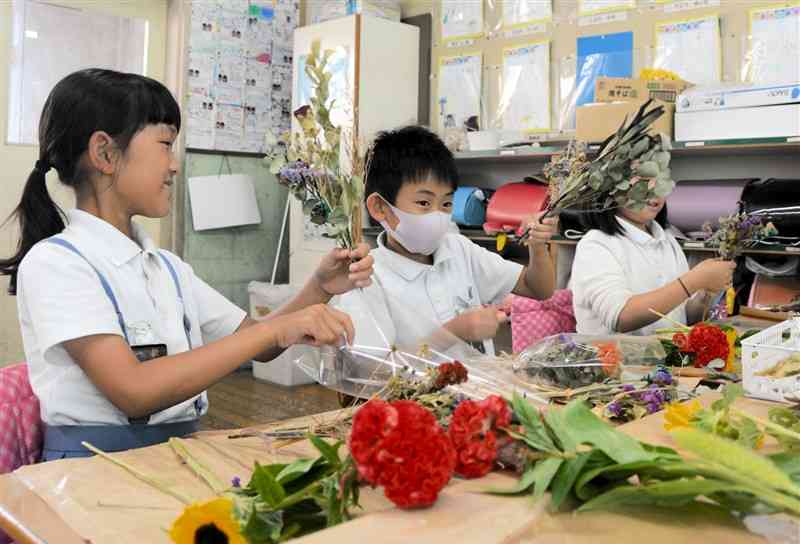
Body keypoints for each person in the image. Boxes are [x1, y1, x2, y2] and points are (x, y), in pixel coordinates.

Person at [0, 68, 373, 460]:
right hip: (92, 469)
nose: (175, 165)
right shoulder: (56, 264)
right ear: (105, 153)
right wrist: (275, 331)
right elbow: (133, 391)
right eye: (165, 145)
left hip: (177, 455)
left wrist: (320, 288)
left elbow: (257, 344)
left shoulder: (167, 268)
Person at [333, 125, 558, 354]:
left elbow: (538, 288)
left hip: (481, 388)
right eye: (423, 203)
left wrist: (538, 247)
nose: (437, 216)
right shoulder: (367, 276)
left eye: (446, 204)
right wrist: (452, 332)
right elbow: (373, 373)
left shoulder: (458, 249)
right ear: (380, 207)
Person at [570, 198, 735, 336]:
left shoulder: (667, 240)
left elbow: (682, 316)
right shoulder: (596, 244)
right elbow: (621, 317)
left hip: (666, 366)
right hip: (613, 367)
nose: (655, 190)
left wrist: (704, 292)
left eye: (660, 178)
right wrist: (694, 280)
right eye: (642, 179)